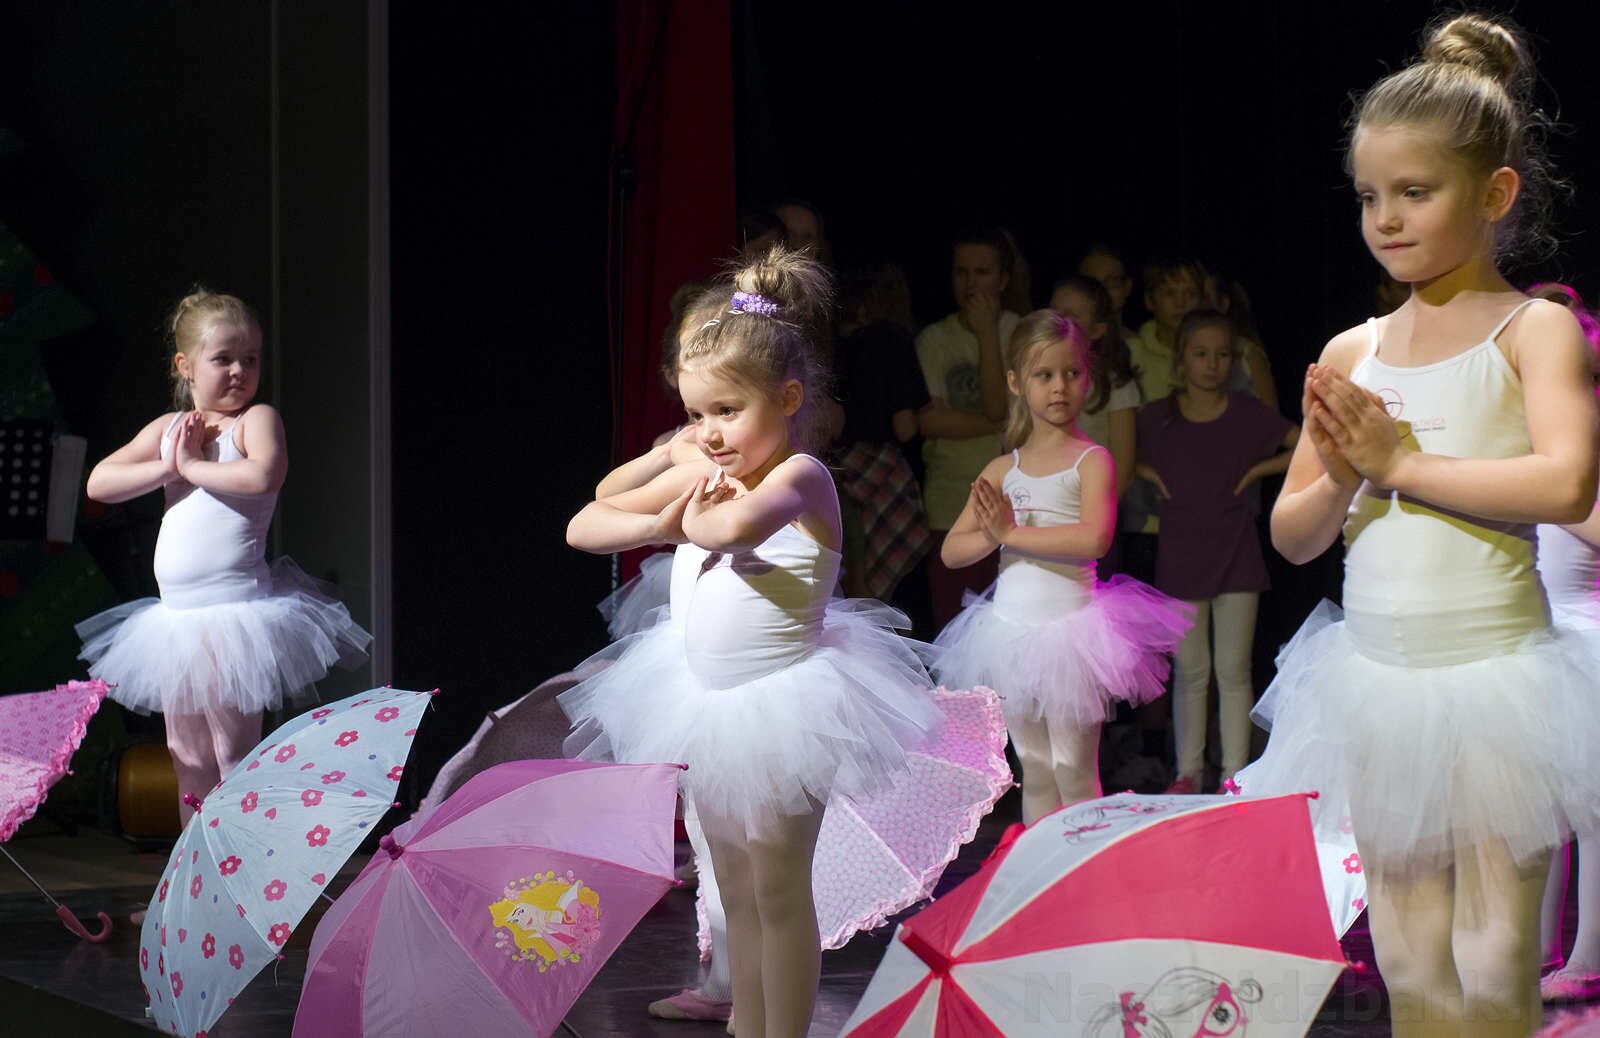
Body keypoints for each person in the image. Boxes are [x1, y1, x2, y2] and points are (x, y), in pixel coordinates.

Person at [1245, 15, 1599, 1036]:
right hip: (1379, 683)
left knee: (1494, 958)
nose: (1386, 219)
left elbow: (1567, 482)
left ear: (1494, 194)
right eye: (1368, 196)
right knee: (1406, 959)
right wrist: (1346, 474)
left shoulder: (1532, 329)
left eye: (1414, 192)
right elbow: (1295, 536)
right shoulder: (1352, 351)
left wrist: (1401, 464)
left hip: (1497, 682)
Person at [562, 246, 942, 1038]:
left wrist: (678, 513)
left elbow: (728, 527)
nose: (709, 433)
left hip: (784, 705)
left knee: (778, 886)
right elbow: (589, 516)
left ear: (787, 399)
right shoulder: (704, 463)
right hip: (710, 704)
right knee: (733, 883)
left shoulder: (802, 477)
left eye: (726, 411)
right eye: (697, 413)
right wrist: (666, 465)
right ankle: (747, 1024)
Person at [76, 290, 371, 824]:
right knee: (186, 756)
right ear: (185, 366)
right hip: (176, 621)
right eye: (223, 359)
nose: (239, 370)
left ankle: (243, 866)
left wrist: (193, 468)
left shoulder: (255, 419)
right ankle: (198, 867)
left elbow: (263, 476)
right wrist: (169, 466)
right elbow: (99, 484)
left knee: (232, 752)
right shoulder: (170, 431)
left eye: (250, 359)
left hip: (234, 615)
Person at [933, 310, 1190, 824]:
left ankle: (1085, 866)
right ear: (1016, 382)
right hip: (1009, 636)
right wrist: (993, 533)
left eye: (1071, 373)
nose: (1059, 387)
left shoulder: (1092, 460)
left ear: (1088, 379)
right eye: (1044, 375)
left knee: (1073, 767)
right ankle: (1042, 868)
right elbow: (952, 551)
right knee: (1035, 767)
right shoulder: (1002, 469)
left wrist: (1011, 534)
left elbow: (1094, 538)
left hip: (1071, 636)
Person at [1135, 310, 1297, 793]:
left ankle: (1234, 774)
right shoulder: (1158, 417)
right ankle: (1188, 772)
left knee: (1232, 669)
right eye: (1201, 354)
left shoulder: (1246, 413)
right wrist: (1145, 474)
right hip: (1182, 554)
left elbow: (1302, 442)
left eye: (1223, 354)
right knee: (1191, 670)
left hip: (1236, 553)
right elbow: (1114, 452)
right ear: (1181, 359)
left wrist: (1258, 471)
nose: (1212, 364)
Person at [1530, 282, 1600, 1004]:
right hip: (1533, 638)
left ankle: (1586, 954)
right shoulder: (1519, 437)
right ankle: (1538, 944)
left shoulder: (1586, 437)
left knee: (1589, 810)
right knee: (1539, 805)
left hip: (1586, 638)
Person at [915, 227, 1021, 626]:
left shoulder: (1021, 332)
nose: (971, 283)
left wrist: (988, 334)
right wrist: (997, 422)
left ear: (1003, 279)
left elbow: (997, 408)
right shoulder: (934, 339)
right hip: (949, 501)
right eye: (962, 272)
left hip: (1014, 502)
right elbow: (931, 420)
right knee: (955, 626)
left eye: (983, 272)